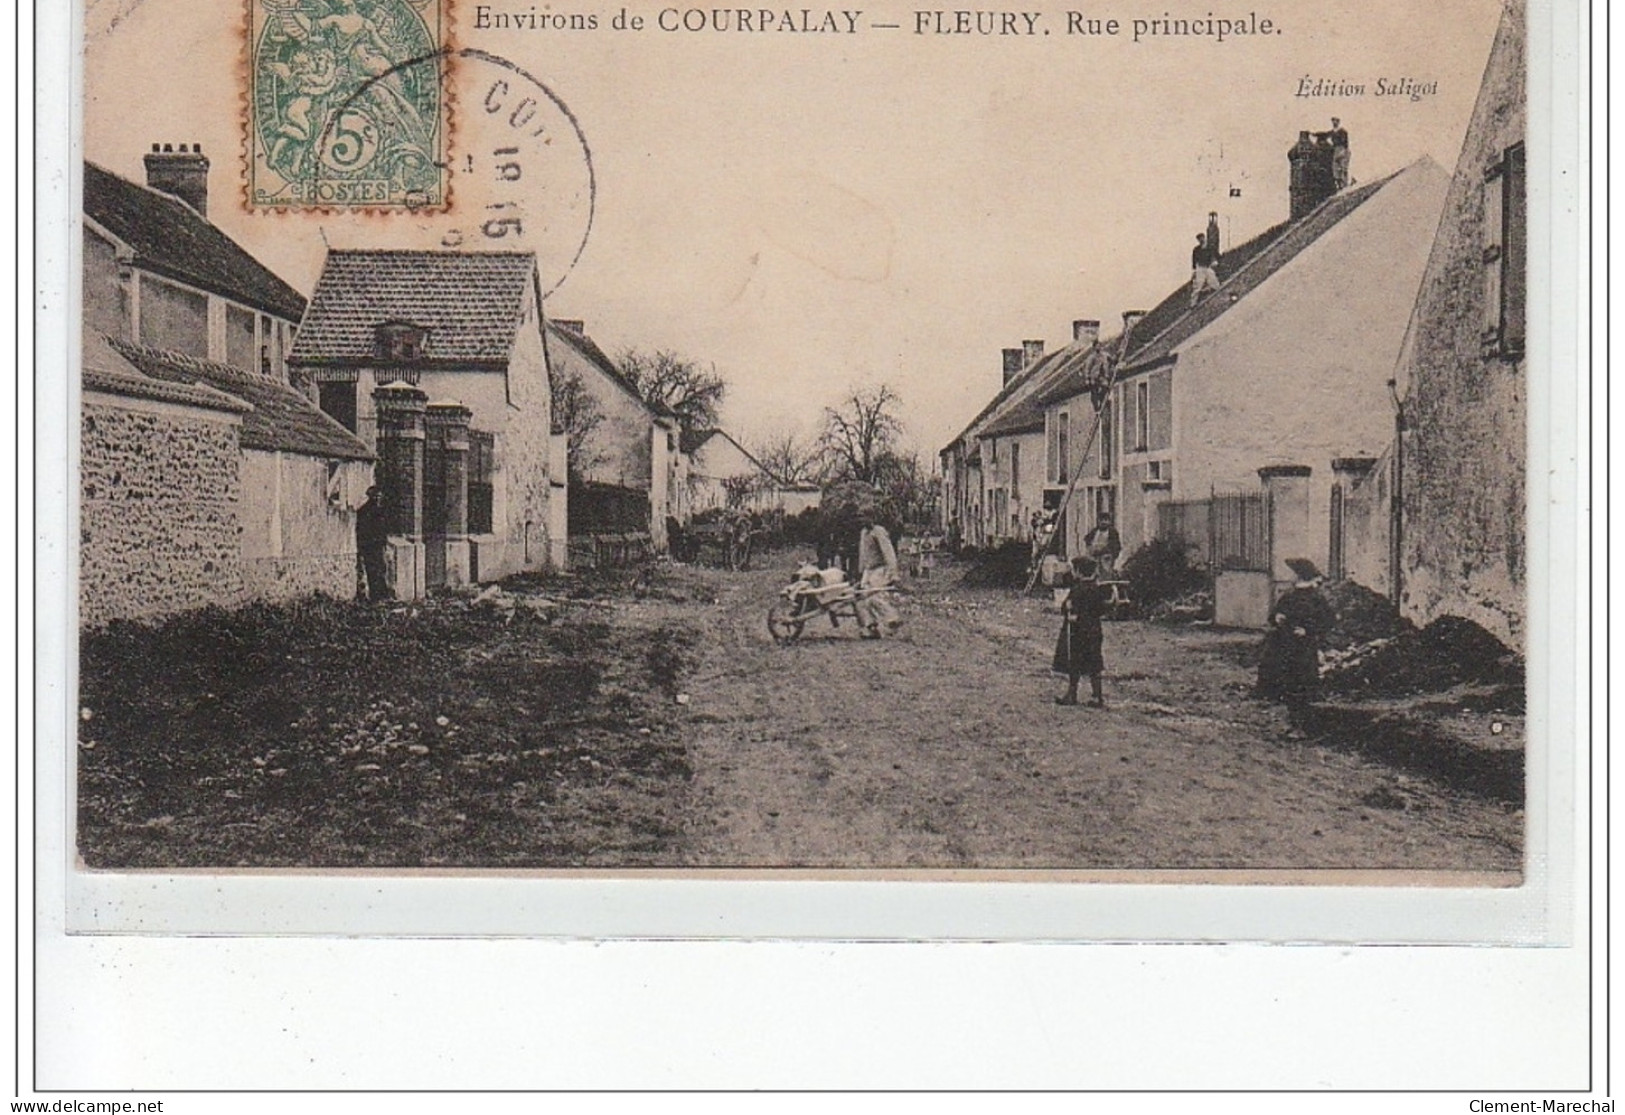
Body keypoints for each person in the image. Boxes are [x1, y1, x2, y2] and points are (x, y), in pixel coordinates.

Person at [1256, 558, 1335, 711]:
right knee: (1277, 662)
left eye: (1295, 575)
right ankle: (1277, 693)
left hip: (1303, 643)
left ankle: (1300, 697)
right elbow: (1274, 614)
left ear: (1301, 577)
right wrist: (1277, 617)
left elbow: (1328, 620)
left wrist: (1308, 631)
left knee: (1302, 671)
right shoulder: (1289, 596)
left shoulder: (1316, 598)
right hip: (1284, 638)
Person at [1053, 556, 1107, 707]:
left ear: (1078, 572)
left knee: (1074, 662)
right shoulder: (1097, 589)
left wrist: (1068, 608)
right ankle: (1097, 696)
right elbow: (1102, 609)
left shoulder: (1077, 590)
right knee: (1095, 662)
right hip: (1095, 631)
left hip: (1077, 632)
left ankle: (1072, 694)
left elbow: (1067, 608)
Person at [854, 515, 901, 639]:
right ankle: (871, 627)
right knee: (861, 599)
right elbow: (862, 553)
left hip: (879, 569)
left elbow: (888, 553)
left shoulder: (879, 532)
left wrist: (893, 573)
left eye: (865, 518)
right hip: (868, 570)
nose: (862, 521)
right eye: (861, 519)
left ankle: (892, 620)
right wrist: (860, 571)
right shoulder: (864, 533)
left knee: (875, 597)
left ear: (872, 518)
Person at [355, 484, 393, 601]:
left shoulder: (381, 511)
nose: (377, 499)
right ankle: (375, 596)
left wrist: (384, 543)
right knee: (373, 571)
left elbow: (384, 529)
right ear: (370, 497)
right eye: (375, 496)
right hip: (370, 546)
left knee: (381, 569)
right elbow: (362, 530)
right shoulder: (364, 511)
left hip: (379, 546)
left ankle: (383, 595)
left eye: (379, 496)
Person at [1083, 512, 1122, 577]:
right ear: (1098, 521)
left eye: (1106, 520)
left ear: (1109, 521)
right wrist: (1091, 549)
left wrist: (1110, 554)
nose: (1103, 522)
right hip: (1094, 557)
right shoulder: (1095, 531)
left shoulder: (1112, 532)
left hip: (1106, 558)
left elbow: (1116, 546)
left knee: (1105, 573)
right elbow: (1087, 540)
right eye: (1101, 520)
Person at [1318, 117, 1350, 190]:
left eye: (1335, 121)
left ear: (1338, 122)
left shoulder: (1342, 131)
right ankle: (1339, 186)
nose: (1334, 123)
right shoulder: (1332, 132)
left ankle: (1344, 184)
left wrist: (1344, 151)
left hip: (1342, 149)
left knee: (1343, 168)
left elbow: (1346, 143)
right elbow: (1325, 134)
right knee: (1335, 169)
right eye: (1333, 121)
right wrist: (1313, 134)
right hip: (1336, 150)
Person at [1190, 232, 1220, 306]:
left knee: (1214, 281)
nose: (1201, 240)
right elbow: (1194, 260)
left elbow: (1215, 255)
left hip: (1208, 267)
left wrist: (1215, 261)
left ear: (1204, 237)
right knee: (1198, 285)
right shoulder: (1196, 249)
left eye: (1202, 238)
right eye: (1199, 239)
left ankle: (1212, 290)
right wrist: (1194, 270)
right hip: (1200, 268)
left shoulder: (1209, 247)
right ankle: (1193, 303)